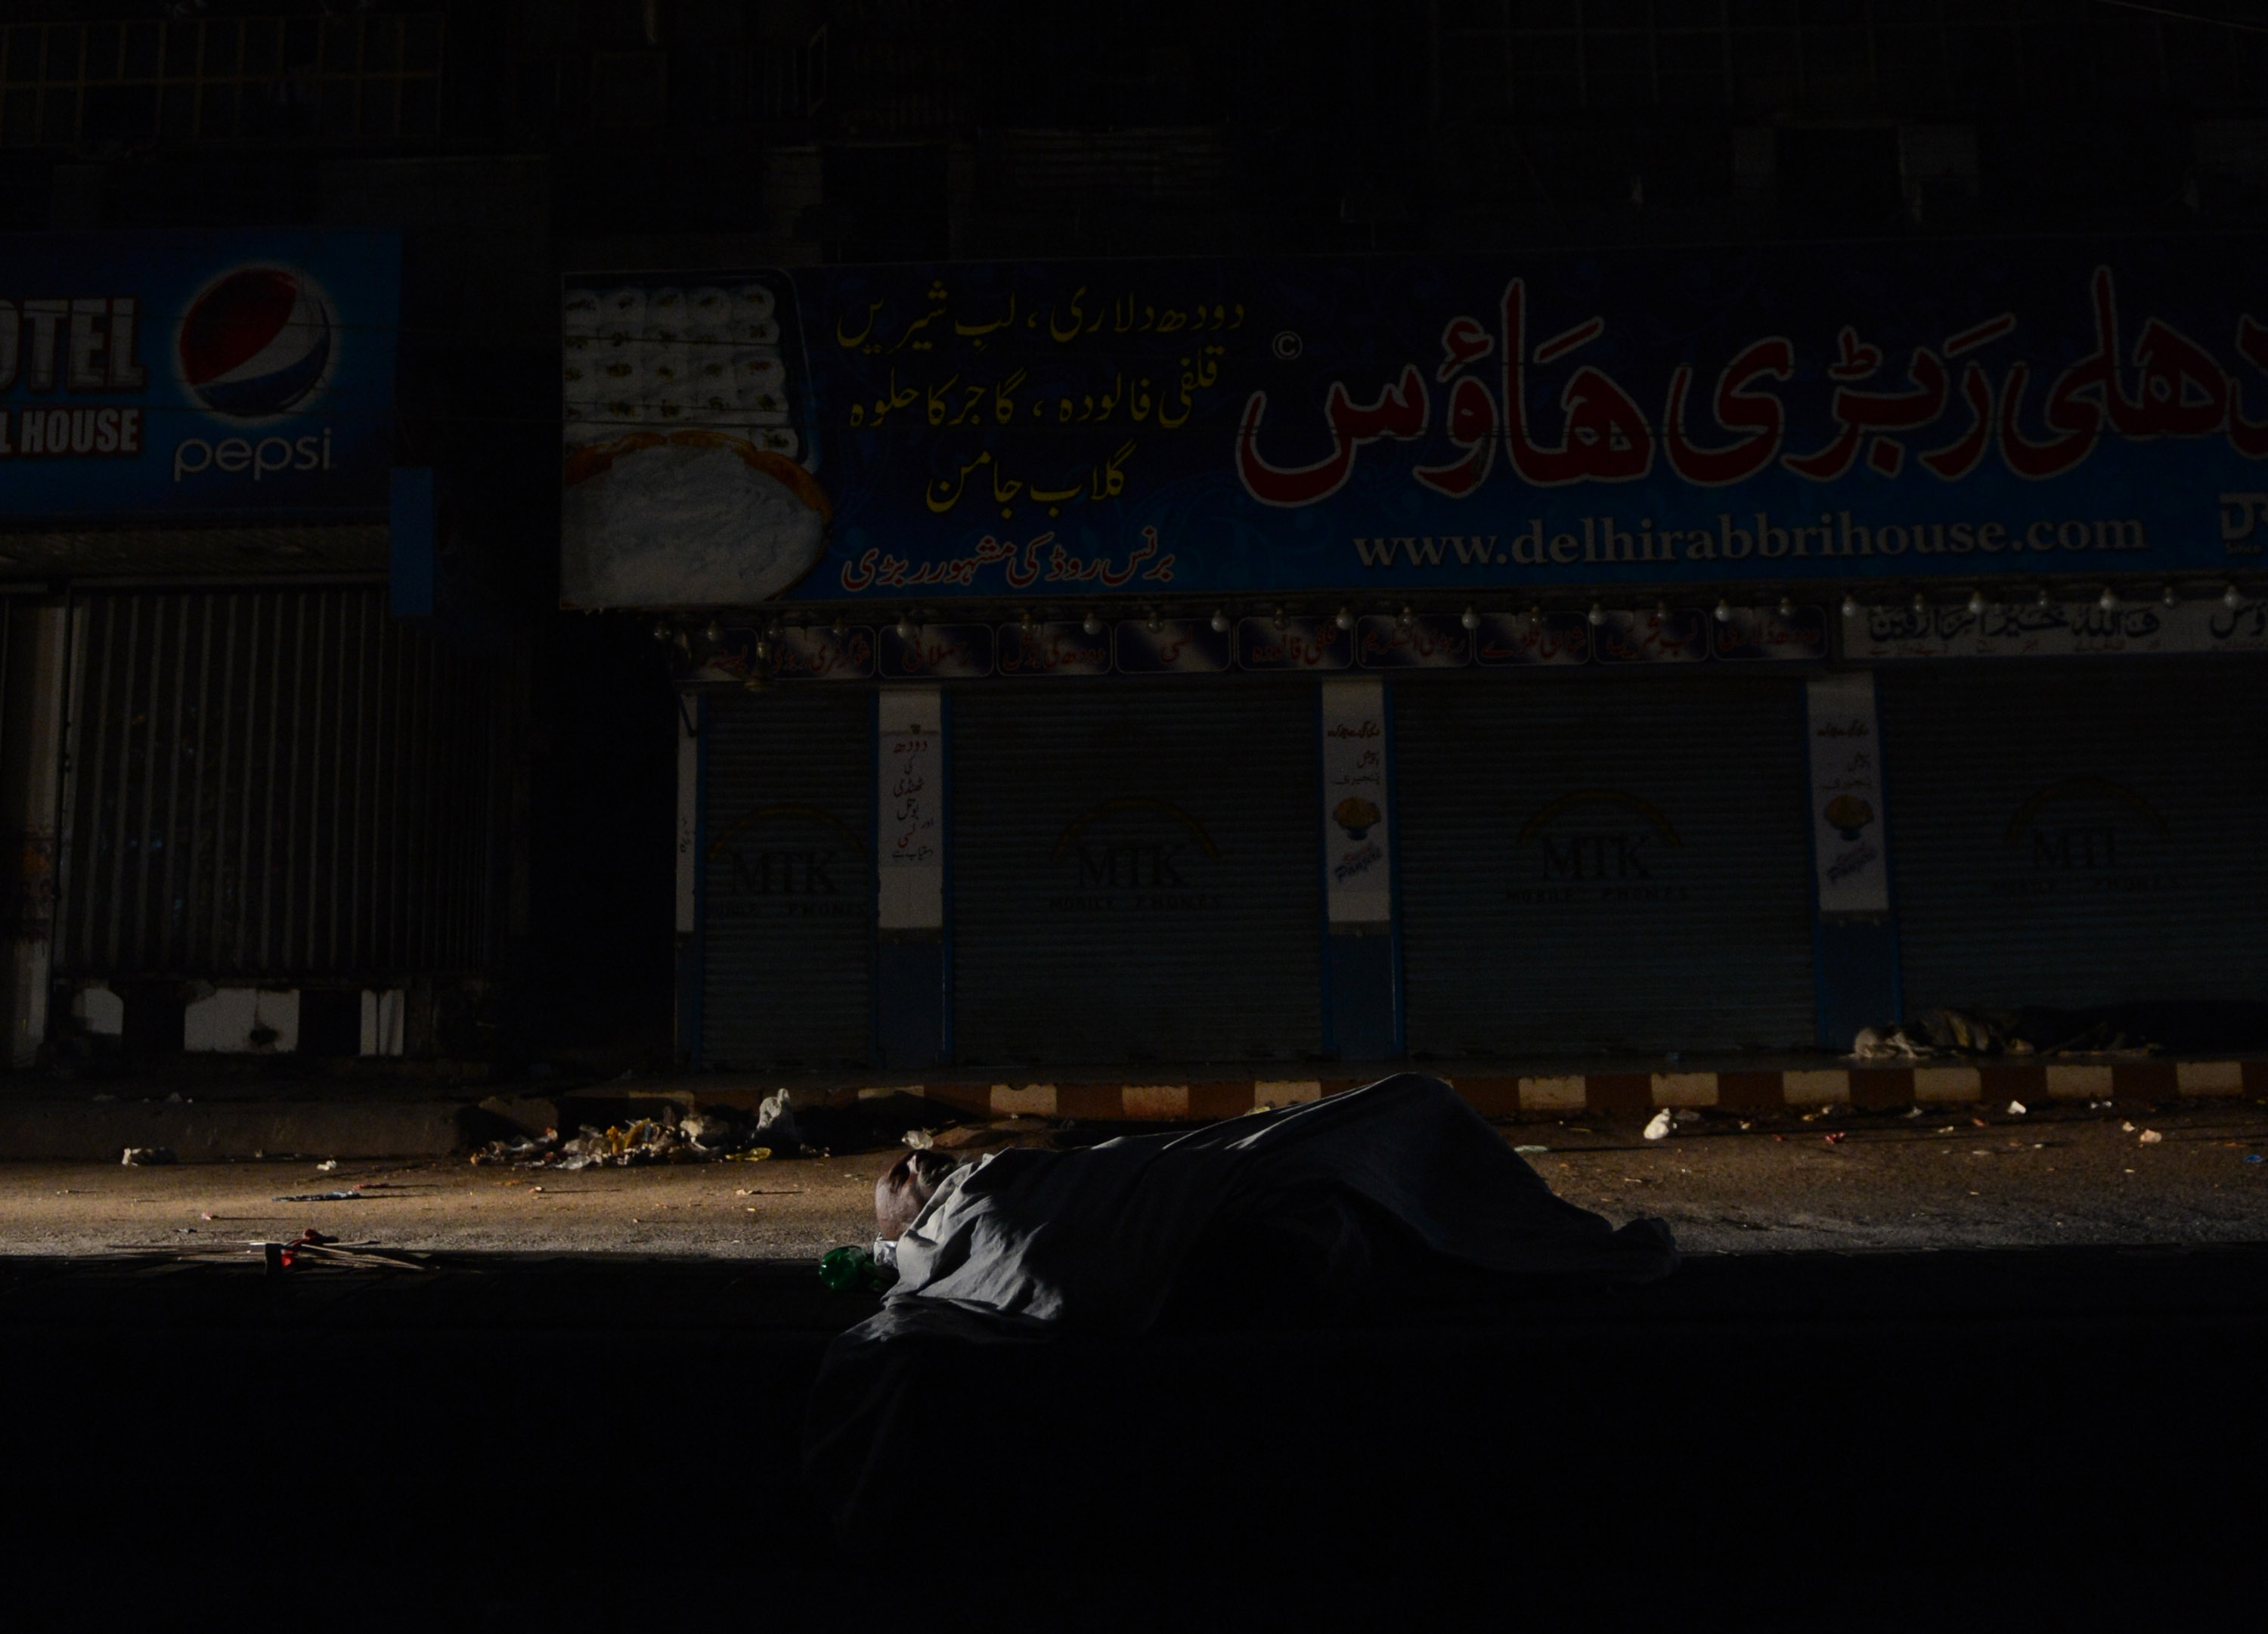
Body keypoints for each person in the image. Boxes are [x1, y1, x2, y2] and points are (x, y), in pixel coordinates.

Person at [809, 1073, 1678, 1531]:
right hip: (1222, 1218)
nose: (913, 1164)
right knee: (1353, 1200)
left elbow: (1142, 1167)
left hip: (1220, 1184)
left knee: (1415, 1106)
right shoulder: (950, 1230)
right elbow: (990, 1282)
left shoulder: (1004, 1172)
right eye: (901, 1179)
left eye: (916, 1161)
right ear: (902, 1222)